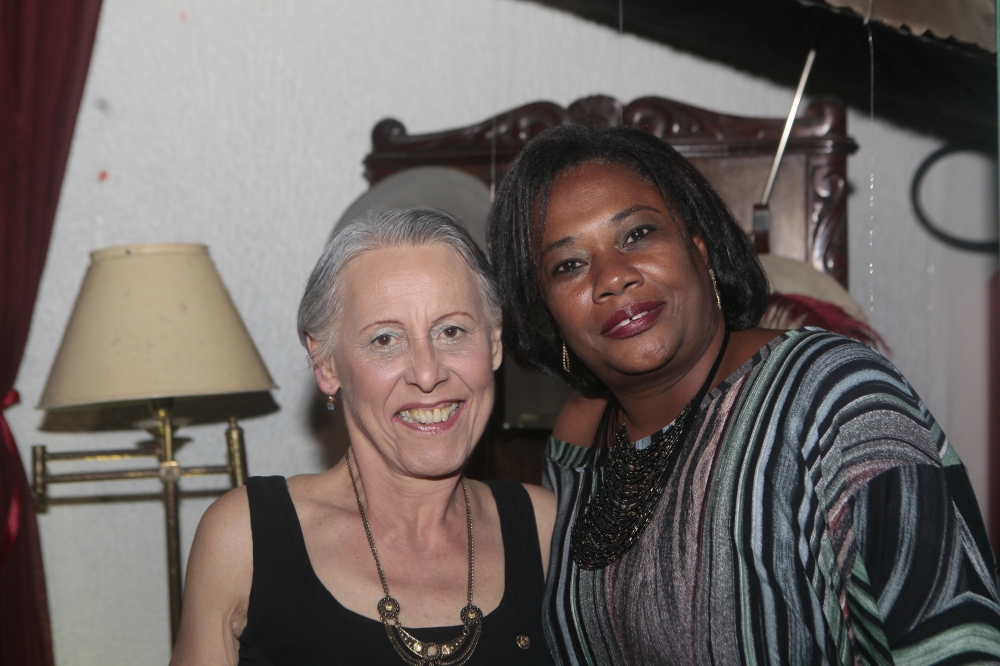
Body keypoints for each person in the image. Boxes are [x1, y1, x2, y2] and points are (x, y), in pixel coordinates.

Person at [487, 124, 1000, 665]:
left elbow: (956, 643)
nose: (612, 277)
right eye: (568, 265)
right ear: (547, 312)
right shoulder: (577, 441)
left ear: (699, 248)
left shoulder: (832, 393)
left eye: (637, 234)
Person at [171, 209, 556, 665]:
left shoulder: (546, 529)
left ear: (493, 342)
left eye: (451, 331)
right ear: (326, 365)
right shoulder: (246, 540)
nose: (427, 373)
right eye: (385, 340)